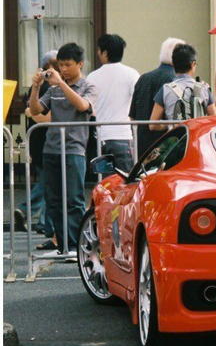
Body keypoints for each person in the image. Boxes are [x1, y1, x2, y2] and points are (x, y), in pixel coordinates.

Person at [29, 43, 97, 260]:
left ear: (80, 64)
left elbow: (83, 106)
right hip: (51, 150)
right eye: (61, 65)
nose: (64, 69)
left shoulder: (88, 86)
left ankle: (77, 247)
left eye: (68, 65)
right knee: (54, 200)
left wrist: (60, 83)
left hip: (74, 150)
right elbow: (36, 109)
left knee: (74, 200)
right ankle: (63, 246)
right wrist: (36, 87)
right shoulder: (54, 88)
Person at [14, 51, 58, 242]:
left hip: (38, 140)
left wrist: (30, 113)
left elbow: (32, 112)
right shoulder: (49, 85)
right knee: (48, 181)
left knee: (49, 181)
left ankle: (44, 222)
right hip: (46, 140)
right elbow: (47, 117)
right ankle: (26, 209)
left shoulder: (39, 84)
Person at [87, 34, 140, 172]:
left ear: (105, 53)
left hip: (101, 136)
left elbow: (88, 105)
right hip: (123, 135)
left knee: (105, 183)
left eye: (99, 50)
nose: (98, 53)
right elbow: (138, 102)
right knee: (126, 181)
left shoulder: (92, 77)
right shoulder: (131, 74)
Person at [129, 37, 184, 156]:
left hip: (142, 146)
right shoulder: (176, 81)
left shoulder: (143, 78)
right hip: (165, 147)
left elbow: (132, 116)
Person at [149, 43, 215, 131]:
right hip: (198, 139)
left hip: (178, 140)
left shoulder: (166, 89)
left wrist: (170, 124)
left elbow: (152, 125)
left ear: (173, 64)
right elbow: (215, 119)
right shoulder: (204, 88)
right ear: (193, 64)